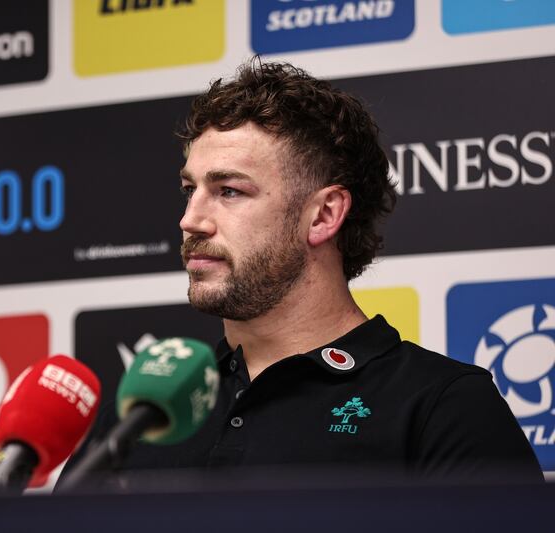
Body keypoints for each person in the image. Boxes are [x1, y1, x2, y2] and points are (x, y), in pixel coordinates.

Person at [60, 59, 543, 489]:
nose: (190, 219)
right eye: (190, 189)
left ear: (323, 216)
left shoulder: (443, 408)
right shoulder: (140, 415)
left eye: (229, 191)